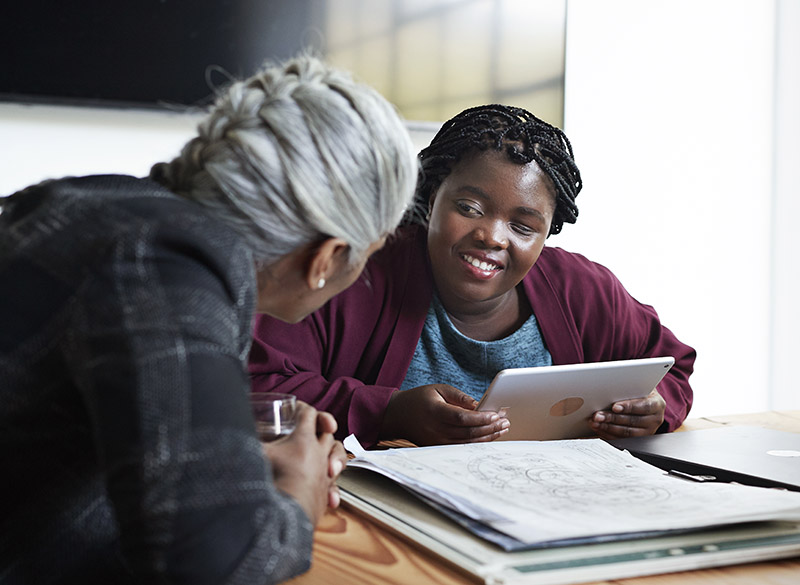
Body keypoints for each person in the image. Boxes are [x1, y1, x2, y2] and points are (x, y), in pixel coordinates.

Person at [0, 54, 417, 584]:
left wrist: (228, 457)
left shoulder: (112, 212)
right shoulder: (163, 265)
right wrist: (300, 494)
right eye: (367, 257)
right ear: (327, 258)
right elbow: (216, 566)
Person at [248, 104, 696, 449]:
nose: (492, 237)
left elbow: (670, 367)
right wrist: (389, 411)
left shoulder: (581, 289)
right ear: (430, 196)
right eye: (469, 208)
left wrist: (655, 408)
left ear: (546, 234)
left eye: (523, 227)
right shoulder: (357, 271)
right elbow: (255, 386)